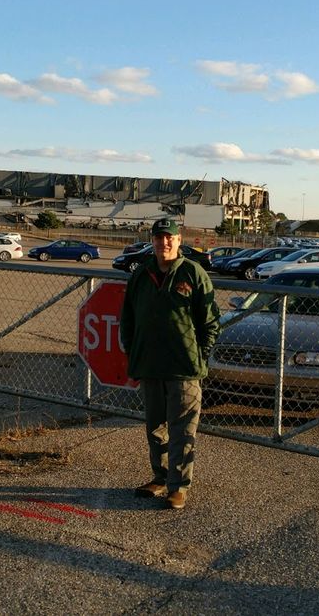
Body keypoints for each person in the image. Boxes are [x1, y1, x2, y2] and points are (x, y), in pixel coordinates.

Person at [119, 218, 220, 510]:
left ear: (178, 241)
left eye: (169, 238)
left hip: (183, 368)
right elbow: (128, 317)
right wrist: (133, 350)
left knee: (182, 430)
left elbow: (210, 322)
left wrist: (199, 354)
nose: (164, 243)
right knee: (155, 428)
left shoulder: (193, 273)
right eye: (159, 237)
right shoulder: (141, 274)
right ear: (152, 241)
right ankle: (160, 477)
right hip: (150, 365)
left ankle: (178, 487)